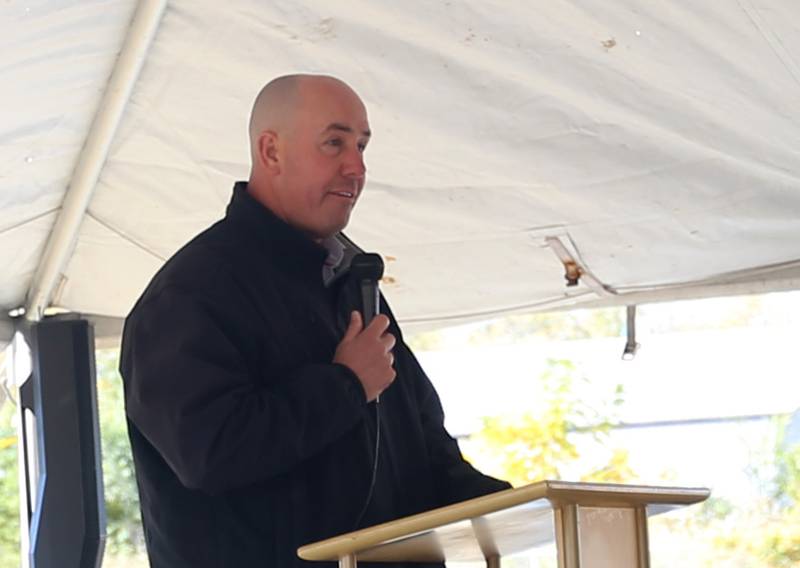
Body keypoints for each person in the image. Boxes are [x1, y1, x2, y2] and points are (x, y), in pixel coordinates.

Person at [120, 74, 510, 568]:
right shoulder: (189, 295)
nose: (356, 168)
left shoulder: (353, 284)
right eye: (334, 143)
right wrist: (345, 384)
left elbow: (423, 450)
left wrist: (522, 508)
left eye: (363, 146)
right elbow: (210, 452)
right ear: (271, 151)